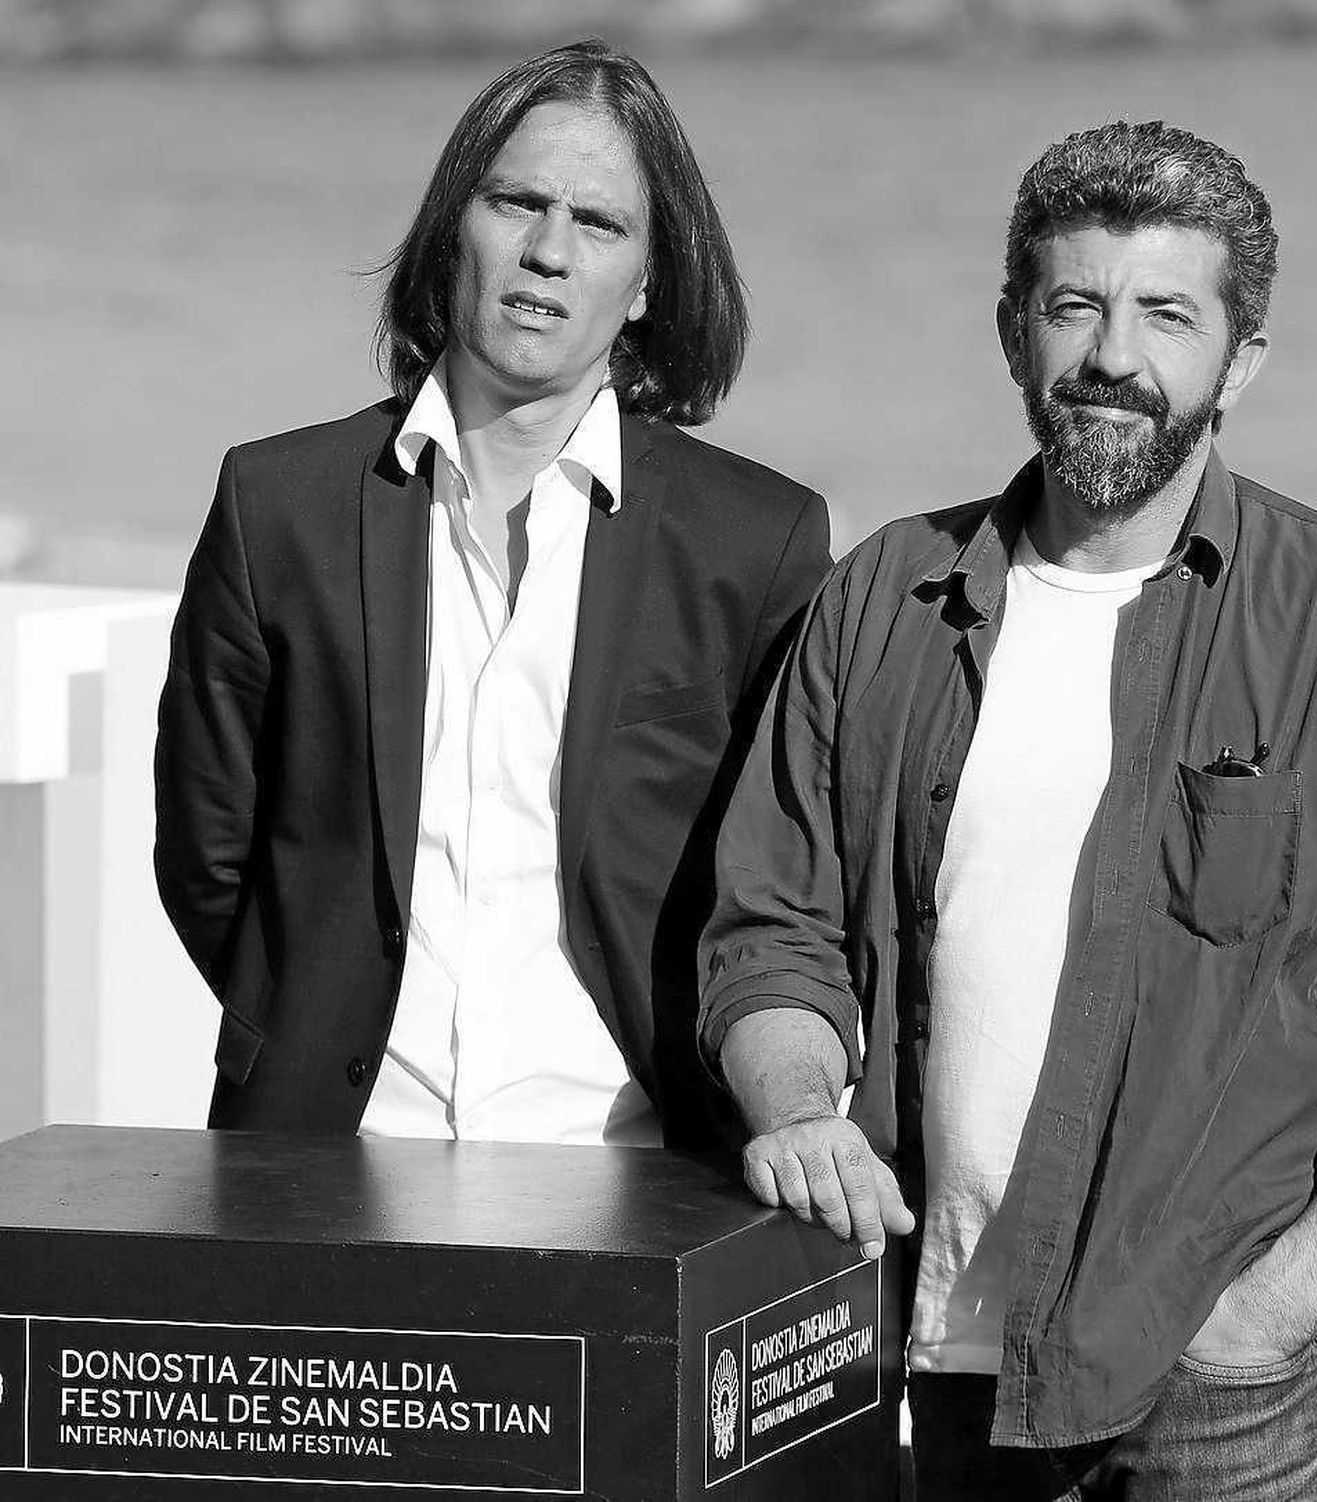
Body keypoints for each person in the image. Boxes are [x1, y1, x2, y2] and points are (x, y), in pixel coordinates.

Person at [699, 121, 1317, 1499]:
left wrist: (1286, 1295)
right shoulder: (883, 599)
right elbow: (770, 926)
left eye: (1167, 313)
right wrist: (798, 1108)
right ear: (1013, 330)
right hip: (932, 1358)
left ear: (1243, 359)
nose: (1112, 355)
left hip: (1229, 1382)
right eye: (1075, 304)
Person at [154, 40, 829, 1151]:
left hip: (631, 1155)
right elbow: (206, 846)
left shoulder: (755, 539)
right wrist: (299, 1021)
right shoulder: (278, 503)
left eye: (600, 223)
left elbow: (782, 877)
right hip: (330, 1151)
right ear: (453, 226)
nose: (549, 251)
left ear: (652, 281)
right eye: (517, 201)